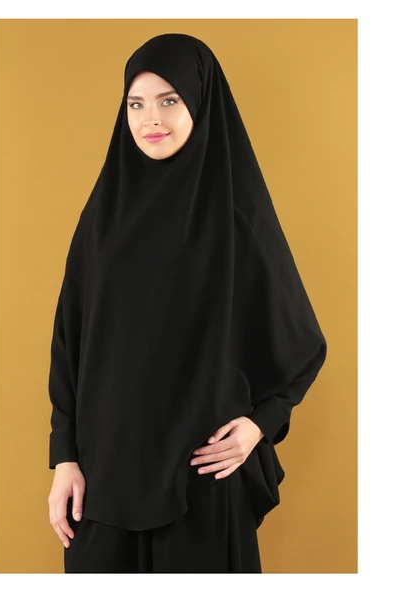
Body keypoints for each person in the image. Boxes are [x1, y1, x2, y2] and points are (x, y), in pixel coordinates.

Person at [47, 33, 327, 573]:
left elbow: (302, 343)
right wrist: (65, 457)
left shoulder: (237, 218)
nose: (150, 119)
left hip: (200, 480)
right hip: (105, 475)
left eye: (169, 100)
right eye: (136, 104)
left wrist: (259, 425)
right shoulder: (104, 217)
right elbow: (70, 339)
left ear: (200, 102)